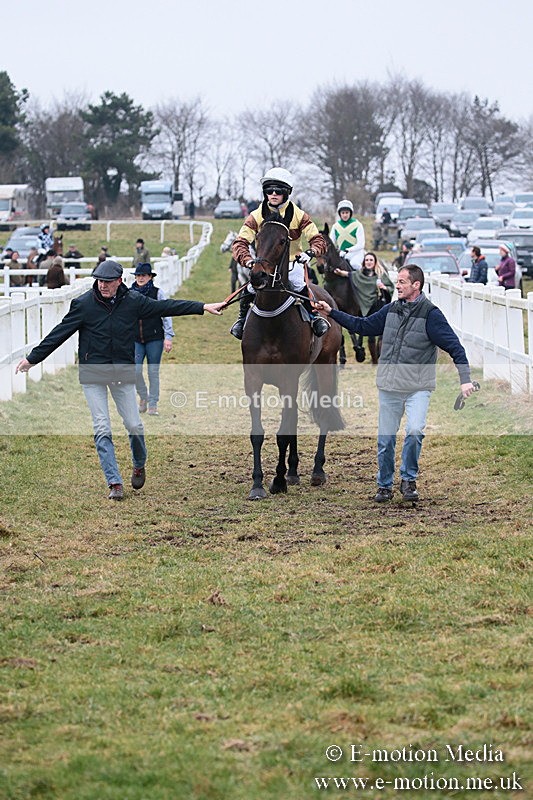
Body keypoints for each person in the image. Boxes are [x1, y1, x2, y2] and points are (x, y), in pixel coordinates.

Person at [16, 260, 225, 501]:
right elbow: (60, 332)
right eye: (99, 281)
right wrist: (33, 359)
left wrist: (203, 307)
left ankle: (138, 463)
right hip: (93, 374)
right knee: (102, 427)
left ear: (119, 281)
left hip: (122, 373)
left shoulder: (134, 301)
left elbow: (165, 307)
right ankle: (114, 481)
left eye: (107, 281)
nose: (102, 285)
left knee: (135, 426)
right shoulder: (83, 304)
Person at [313, 264, 475, 503]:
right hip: (389, 387)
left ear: (416, 285)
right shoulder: (390, 310)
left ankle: (408, 480)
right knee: (386, 440)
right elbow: (363, 325)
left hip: (418, 388)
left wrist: (465, 380)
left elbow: (455, 348)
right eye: (397, 282)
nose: (396, 286)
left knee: (414, 431)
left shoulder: (431, 315)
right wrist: (331, 313)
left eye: (401, 282)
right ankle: (384, 485)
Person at [230, 167, 329, 339]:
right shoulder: (255, 216)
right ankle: (241, 319)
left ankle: (314, 318)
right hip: (264, 263)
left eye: (278, 191)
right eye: (269, 191)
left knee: (299, 284)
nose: (273, 194)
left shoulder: (299, 215)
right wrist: (248, 261)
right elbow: (240, 243)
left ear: (286, 193)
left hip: (292, 263)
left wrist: (310, 252)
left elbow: (318, 240)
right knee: (251, 287)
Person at [332, 251, 394, 364]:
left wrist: (384, 287)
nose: (369, 262)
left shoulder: (381, 275)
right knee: (371, 336)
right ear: (364, 262)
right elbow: (349, 275)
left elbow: (391, 288)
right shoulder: (359, 275)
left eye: (371, 260)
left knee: (382, 335)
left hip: (380, 305)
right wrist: (338, 272)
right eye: (367, 260)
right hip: (367, 308)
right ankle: (375, 360)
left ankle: (382, 359)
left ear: (375, 262)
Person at [131, 263, 174, 416]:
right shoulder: (129, 293)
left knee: (153, 371)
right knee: (134, 370)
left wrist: (168, 336)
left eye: (143, 275)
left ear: (150, 277)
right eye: (138, 275)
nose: (140, 278)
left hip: (154, 338)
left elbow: (166, 314)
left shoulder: (158, 293)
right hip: (135, 338)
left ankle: (153, 404)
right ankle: (143, 396)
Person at [329, 200, 366, 269]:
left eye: (347, 212)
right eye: (343, 213)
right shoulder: (335, 226)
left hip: (356, 254)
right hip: (342, 254)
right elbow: (331, 242)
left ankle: (361, 278)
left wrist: (348, 250)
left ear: (350, 213)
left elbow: (361, 244)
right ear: (340, 214)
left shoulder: (357, 225)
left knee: (354, 264)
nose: (345, 215)